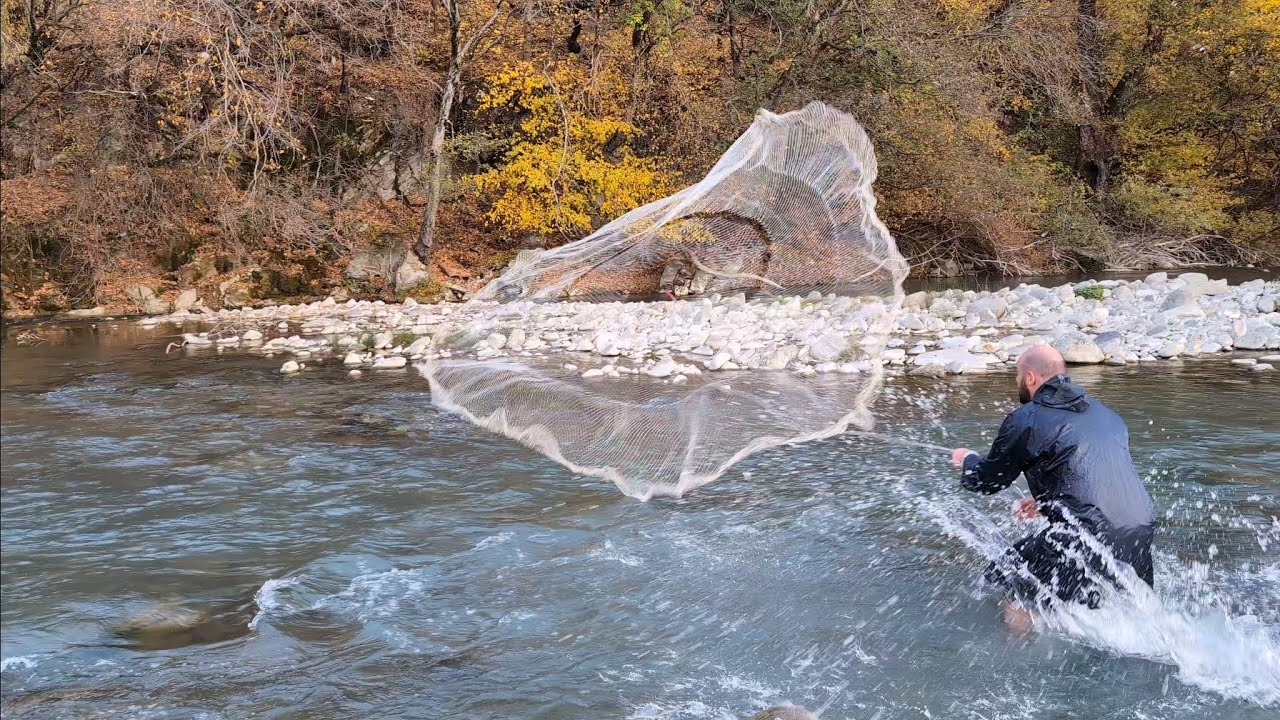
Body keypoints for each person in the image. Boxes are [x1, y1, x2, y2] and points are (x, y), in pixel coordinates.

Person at [949, 345, 1156, 630]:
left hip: (1086, 536)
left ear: (1030, 377)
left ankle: (1019, 659)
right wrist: (1048, 502)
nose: (1019, 383)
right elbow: (1100, 476)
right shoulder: (1106, 415)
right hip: (1139, 535)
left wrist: (968, 460)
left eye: (1018, 377)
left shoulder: (1027, 418)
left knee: (1008, 576)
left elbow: (987, 481)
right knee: (1112, 608)